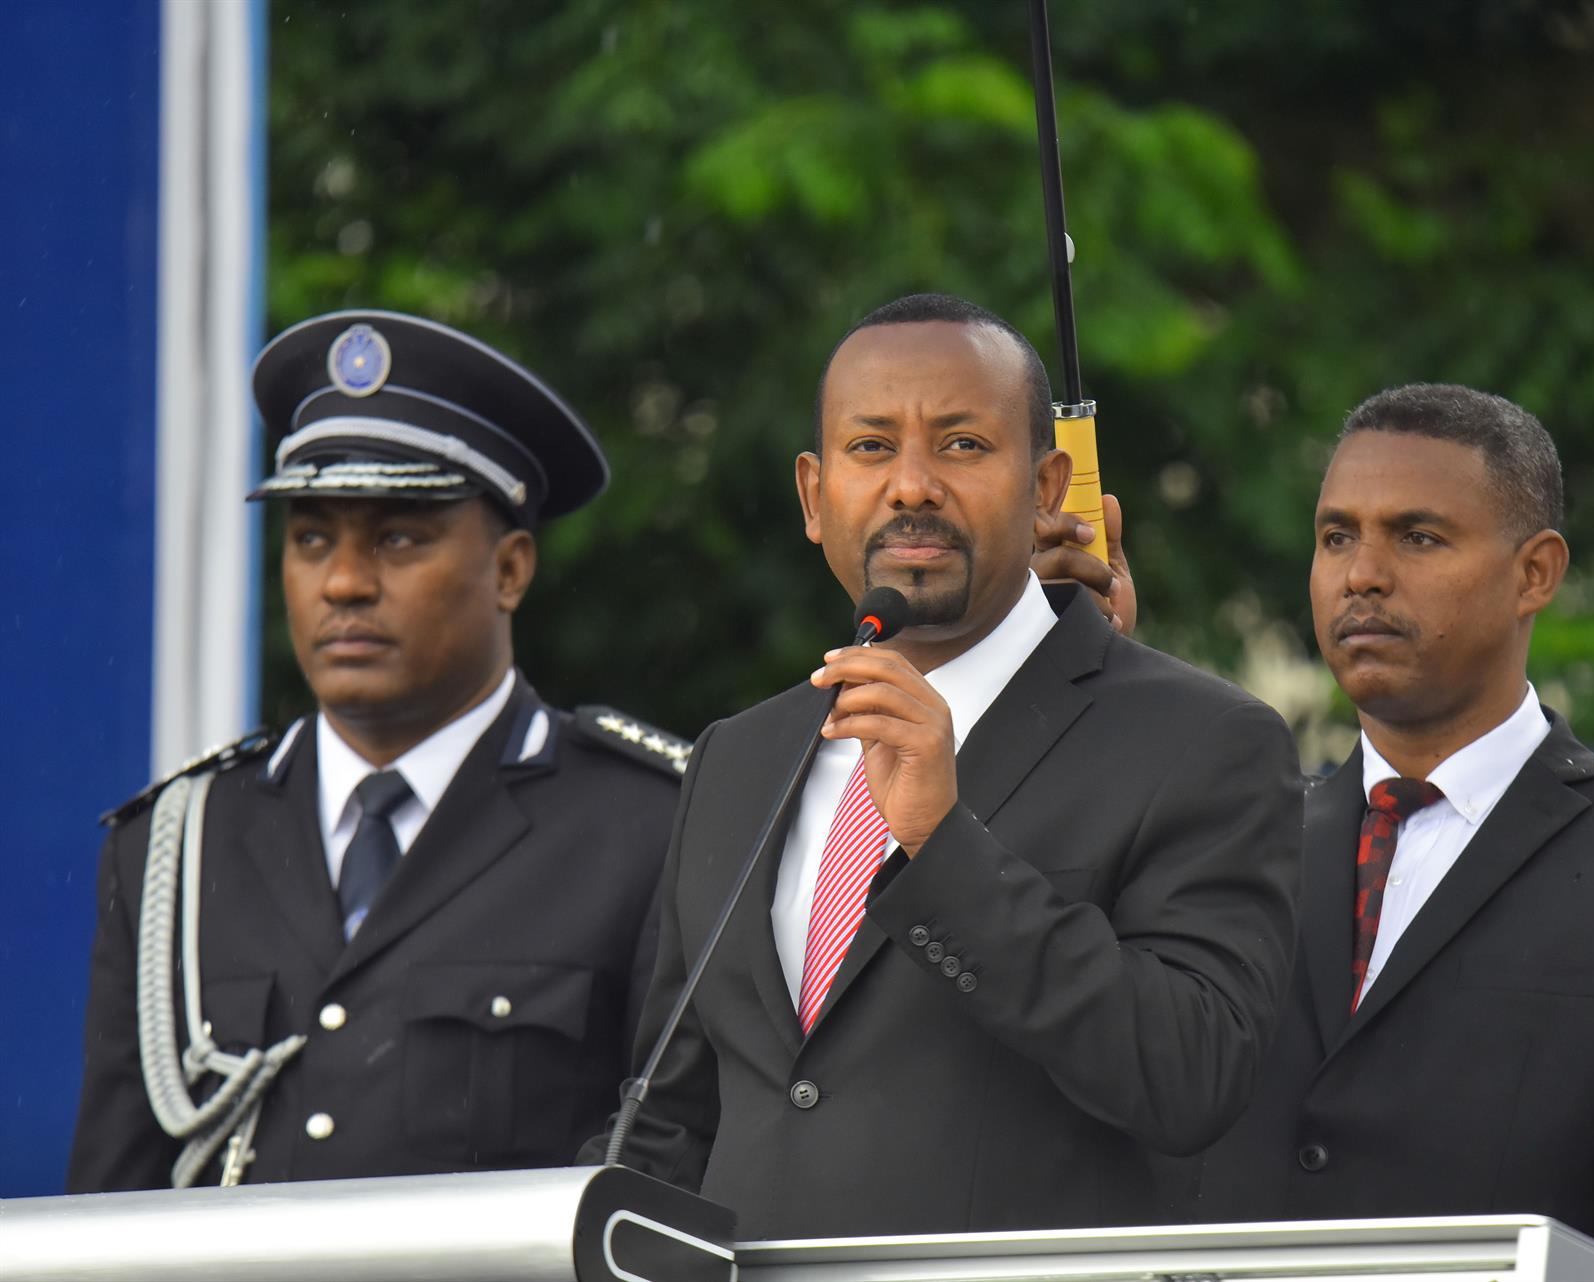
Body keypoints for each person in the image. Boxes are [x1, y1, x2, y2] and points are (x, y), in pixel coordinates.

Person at [598, 293, 1302, 1239]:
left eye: (963, 445)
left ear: (1046, 488)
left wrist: (943, 847)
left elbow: (1193, 1078)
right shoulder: (740, 757)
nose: (912, 486)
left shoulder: (1202, 741)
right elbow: (670, 1123)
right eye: (871, 447)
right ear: (814, 497)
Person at [1170, 384, 1594, 1282]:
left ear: (1535, 573)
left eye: (1417, 537)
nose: (1362, 575)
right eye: (1337, 536)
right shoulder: (1234, 852)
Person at [68, 311, 688, 1190]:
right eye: (312, 539)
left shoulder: (646, 830)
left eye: (398, 538)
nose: (344, 582)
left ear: (510, 570)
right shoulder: (176, 848)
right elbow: (113, 1209)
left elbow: (670, 1188)